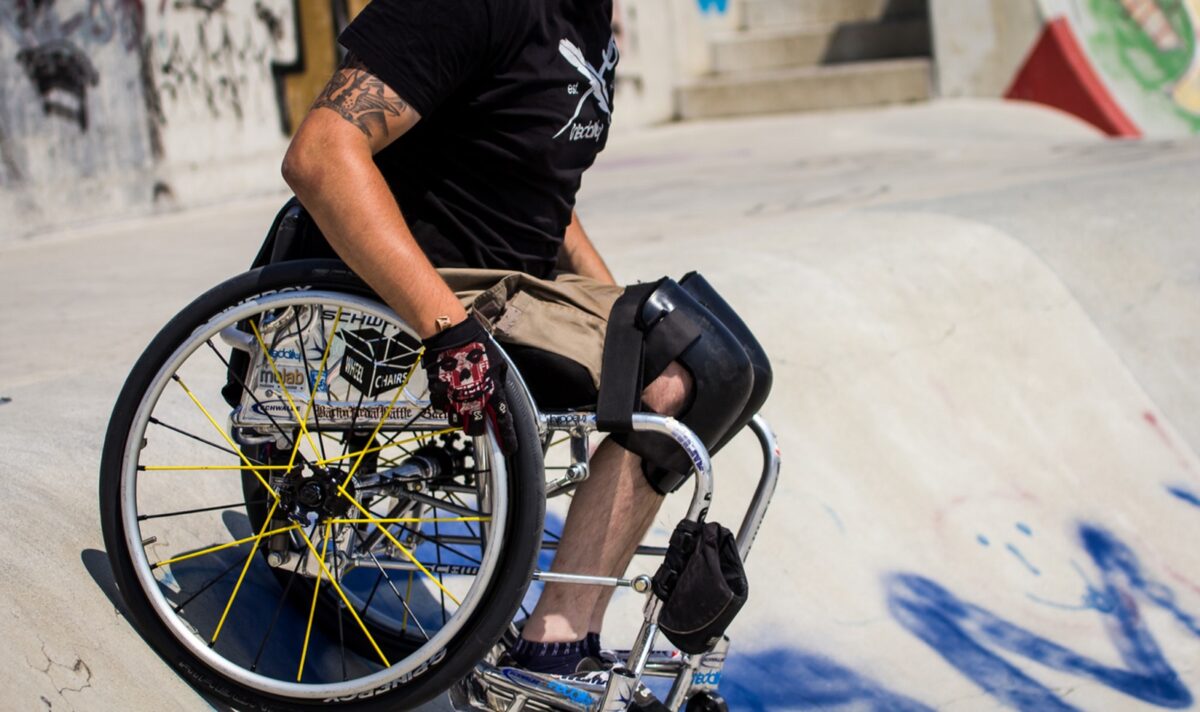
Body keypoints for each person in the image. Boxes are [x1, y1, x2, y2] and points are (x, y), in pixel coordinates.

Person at [281, 0, 692, 677]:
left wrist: (620, 314)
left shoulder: (588, 20)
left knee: (715, 358)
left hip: (522, 286)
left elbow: (537, 195)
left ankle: (569, 629)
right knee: (675, 375)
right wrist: (445, 327)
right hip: (450, 288)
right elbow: (321, 153)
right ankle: (552, 648)